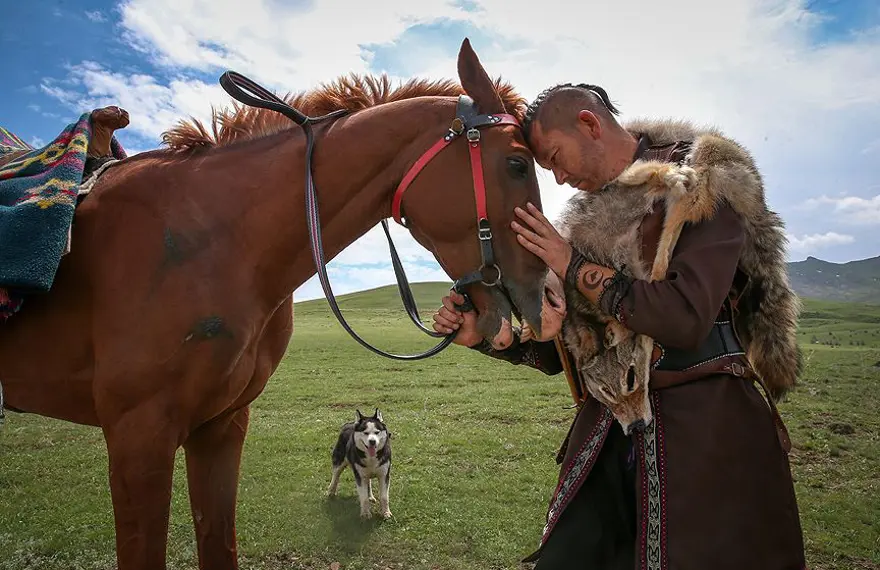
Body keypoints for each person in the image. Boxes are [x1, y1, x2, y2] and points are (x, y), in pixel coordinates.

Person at [432, 83, 806, 570]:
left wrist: (572, 266)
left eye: (557, 158)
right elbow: (572, 347)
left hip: (709, 435)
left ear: (589, 125)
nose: (560, 180)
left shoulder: (701, 179)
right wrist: (488, 336)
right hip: (609, 433)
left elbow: (686, 318)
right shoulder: (585, 223)